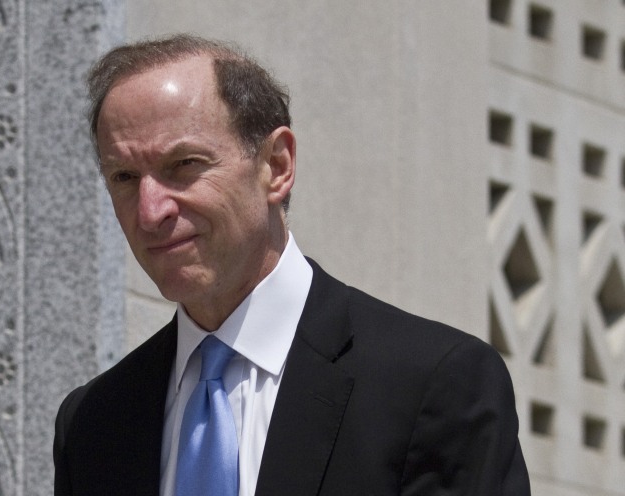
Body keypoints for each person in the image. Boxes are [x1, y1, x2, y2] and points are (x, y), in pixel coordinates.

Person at [53, 34, 530, 495]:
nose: (150, 210)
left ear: (276, 166)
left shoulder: (434, 385)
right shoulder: (94, 422)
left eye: (184, 165)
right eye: (125, 177)